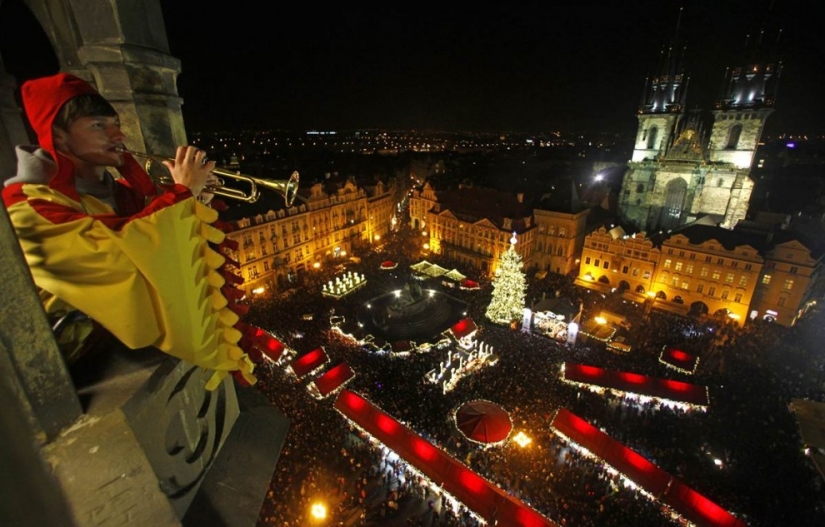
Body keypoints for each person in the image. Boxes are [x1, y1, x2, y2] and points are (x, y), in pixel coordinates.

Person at [2, 72, 274, 389]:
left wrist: (196, 200)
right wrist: (181, 196)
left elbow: (162, 245)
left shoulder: (119, 191)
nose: (118, 135)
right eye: (98, 125)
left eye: (116, 123)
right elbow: (117, 256)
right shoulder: (28, 204)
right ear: (58, 135)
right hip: (76, 366)